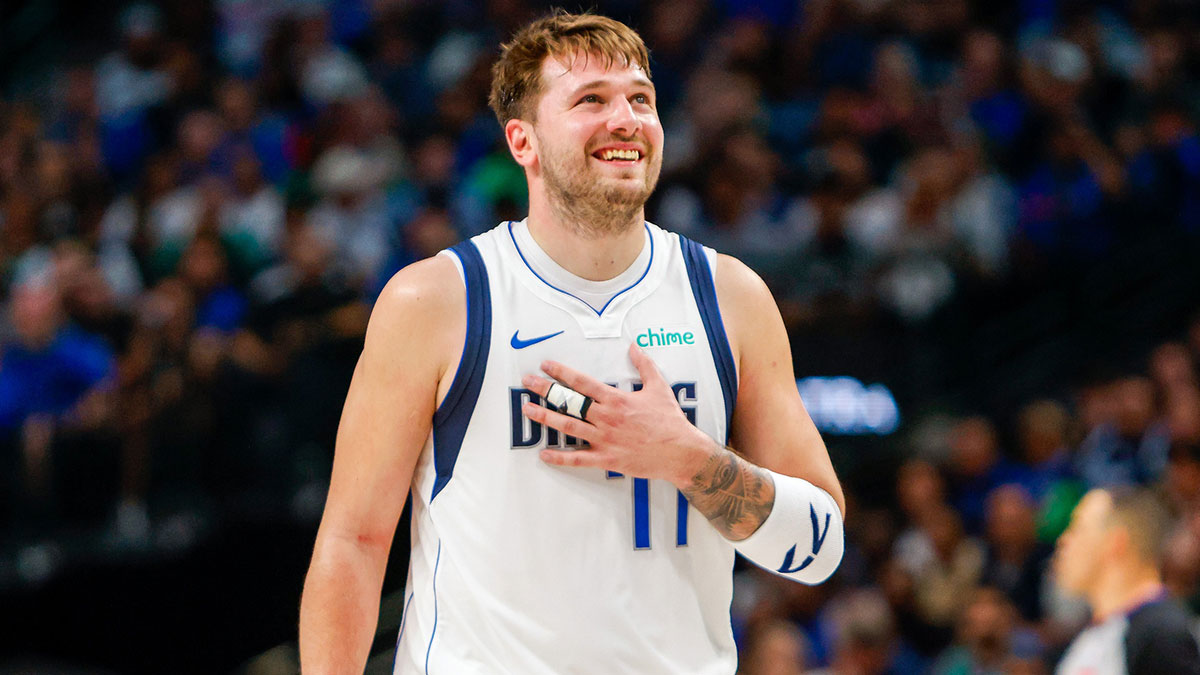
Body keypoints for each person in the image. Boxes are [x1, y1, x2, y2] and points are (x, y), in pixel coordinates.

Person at [299, 11, 846, 673]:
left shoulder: (730, 297)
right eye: (592, 100)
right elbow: (354, 541)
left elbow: (819, 548)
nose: (626, 120)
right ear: (522, 141)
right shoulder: (439, 300)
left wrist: (690, 460)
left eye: (640, 99)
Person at [1053, 488, 1200, 674]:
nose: (1064, 541)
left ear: (1115, 542)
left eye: (1077, 528)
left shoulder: (1160, 634)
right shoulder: (1105, 629)